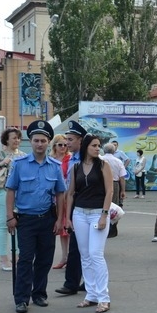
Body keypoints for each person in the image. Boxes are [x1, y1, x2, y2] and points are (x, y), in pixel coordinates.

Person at [5, 121, 66, 313]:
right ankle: (21, 298)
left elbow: (60, 194)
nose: (39, 144)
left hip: (47, 218)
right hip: (26, 219)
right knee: (25, 259)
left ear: (49, 143)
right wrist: (9, 217)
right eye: (36, 140)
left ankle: (39, 294)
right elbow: (10, 191)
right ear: (30, 142)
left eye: (43, 141)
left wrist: (59, 220)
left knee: (45, 259)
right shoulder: (19, 165)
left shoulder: (55, 166)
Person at [64, 134, 113, 313]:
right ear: (86, 146)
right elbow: (70, 193)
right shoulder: (75, 167)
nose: (97, 148)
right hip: (79, 214)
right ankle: (91, 295)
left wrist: (104, 215)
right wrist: (68, 217)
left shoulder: (103, 165)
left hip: (97, 214)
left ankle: (103, 297)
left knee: (95, 254)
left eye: (99, 145)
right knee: (84, 255)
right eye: (94, 145)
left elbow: (110, 191)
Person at [0, 127, 26, 271]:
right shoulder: (0, 154)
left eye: (18, 138)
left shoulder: (23, 155)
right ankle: (4, 259)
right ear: (6, 140)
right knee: (3, 225)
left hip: (21, 194)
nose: (17, 140)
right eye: (14, 138)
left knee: (20, 225)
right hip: (4, 192)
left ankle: (19, 257)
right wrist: (2, 163)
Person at [55, 121, 87, 296]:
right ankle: (73, 282)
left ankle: (79, 282)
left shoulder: (87, 159)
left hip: (85, 204)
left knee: (85, 248)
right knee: (76, 246)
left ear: (80, 141)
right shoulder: (70, 158)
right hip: (72, 203)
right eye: (66, 139)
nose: (67, 143)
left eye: (71, 139)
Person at [50, 134, 71, 269]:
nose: (63, 147)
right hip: (55, 197)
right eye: (60, 145)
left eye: (65, 144)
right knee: (61, 230)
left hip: (68, 196)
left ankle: (70, 257)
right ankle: (64, 257)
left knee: (68, 228)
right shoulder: (51, 159)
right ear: (54, 146)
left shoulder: (70, 159)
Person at [101, 142, 126, 238]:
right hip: (114, 184)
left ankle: (102, 226)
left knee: (102, 205)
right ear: (114, 150)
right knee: (114, 206)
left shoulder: (100, 159)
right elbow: (122, 177)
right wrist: (123, 190)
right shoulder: (118, 161)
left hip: (101, 184)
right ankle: (112, 228)